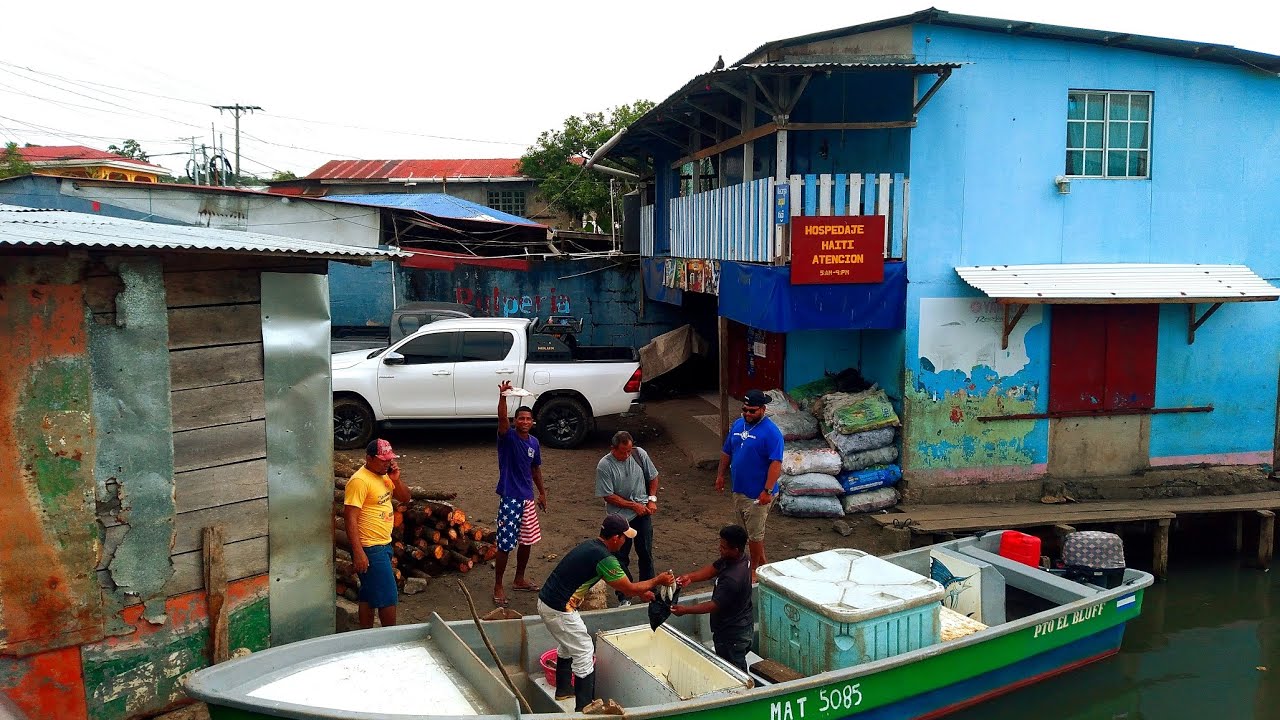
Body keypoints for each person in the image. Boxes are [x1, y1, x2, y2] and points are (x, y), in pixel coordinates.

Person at [538, 514, 676, 710]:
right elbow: (627, 588)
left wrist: (642, 591)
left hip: (548, 602)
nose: (626, 541)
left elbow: (618, 584)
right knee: (585, 650)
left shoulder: (591, 546)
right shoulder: (606, 558)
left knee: (568, 644)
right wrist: (656, 581)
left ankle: (563, 690)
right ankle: (584, 708)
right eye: (624, 537)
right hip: (560, 609)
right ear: (615, 538)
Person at [716, 388, 784, 580]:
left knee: (755, 535)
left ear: (763, 409)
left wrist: (767, 490)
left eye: (752, 411)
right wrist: (720, 474)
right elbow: (727, 451)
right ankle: (765, 568)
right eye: (745, 410)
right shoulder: (738, 425)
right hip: (739, 490)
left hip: (758, 494)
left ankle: (753, 571)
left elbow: (776, 463)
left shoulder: (772, 433)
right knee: (744, 533)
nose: (747, 414)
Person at [343, 438, 411, 629]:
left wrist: (396, 480)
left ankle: (365, 635)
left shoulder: (385, 476)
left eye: (389, 459)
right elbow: (350, 518)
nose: (387, 463)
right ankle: (390, 639)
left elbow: (405, 498)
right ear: (369, 458)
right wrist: (358, 552)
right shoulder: (359, 481)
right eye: (383, 460)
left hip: (383, 544)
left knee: (368, 594)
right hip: (370, 547)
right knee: (388, 597)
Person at [494, 380, 547, 607]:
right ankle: (498, 584)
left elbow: (535, 469)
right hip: (510, 497)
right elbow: (502, 420)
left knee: (527, 541)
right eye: (521, 418)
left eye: (528, 419)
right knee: (505, 544)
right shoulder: (507, 437)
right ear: (515, 422)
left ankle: (519, 579)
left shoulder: (534, 442)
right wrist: (503, 396)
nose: (524, 422)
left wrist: (542, 494)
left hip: (527, 498)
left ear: (532, 422)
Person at [671, 525, 754, 671]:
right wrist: (690, 577)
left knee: (734, 671)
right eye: (720, 545)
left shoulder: (733, 579)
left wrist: (685, 610)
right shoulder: (737, 558)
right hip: (741, 625)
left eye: (723, 547)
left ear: (735, 549)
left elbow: (713, 605)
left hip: (732, 634)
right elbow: (713, 569)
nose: (719, 549)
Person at [594, 430, 660, 605]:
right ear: (613, 449)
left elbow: (653, 477)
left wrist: (651, 500)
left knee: (645, 552)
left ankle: (649, 590)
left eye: (629, 451)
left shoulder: (640, 455)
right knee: (620, 557)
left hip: (642, 514)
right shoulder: (604, 466)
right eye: (623, 452)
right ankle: (625, 594)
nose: (627, 455)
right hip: (620, 518)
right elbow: (608, 495)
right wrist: (633, 505)